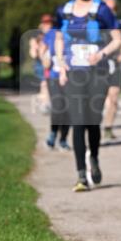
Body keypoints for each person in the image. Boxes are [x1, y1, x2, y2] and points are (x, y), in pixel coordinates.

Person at [54, 0, 121, 191]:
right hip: (74, 72)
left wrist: (101, 54)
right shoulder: (63, 11)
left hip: (98, 72)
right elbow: (58, 39)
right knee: (77, 121)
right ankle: (81, 175)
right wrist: (61, 64)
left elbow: (117, 39)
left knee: (92, 121)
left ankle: (94, 157)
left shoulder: (101, 10)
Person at [38, 13, 71, 150]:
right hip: (54, 75)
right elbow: (42, 49)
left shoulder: (76, 34)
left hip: (71, 77)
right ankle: (53, 133)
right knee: (58, 107)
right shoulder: (51, 34)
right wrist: (43, 58)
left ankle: (63, 139)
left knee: (68, 110)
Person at [101, 0, 121, 141]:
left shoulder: (118, 24)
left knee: (114, 97)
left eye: (113, 8)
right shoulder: (96, 23)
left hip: (113, 64)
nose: (110, 11)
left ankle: (108, 128)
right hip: (98, 65)